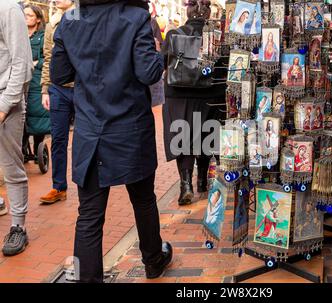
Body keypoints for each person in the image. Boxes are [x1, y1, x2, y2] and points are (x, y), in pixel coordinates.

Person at [50, 0, 170, 282]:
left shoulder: (70, 19)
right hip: (131, 127)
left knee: (89, 215)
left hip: (91, 129)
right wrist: (159, 54)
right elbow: (148, 73)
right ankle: (153, 261)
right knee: (143, 199)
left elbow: (59, 74)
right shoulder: (135, 16)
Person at [162, 0, 226, 206]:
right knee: (207, 134)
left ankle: (185, 184)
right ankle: (202, 181)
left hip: (178, 94)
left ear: (188, 13)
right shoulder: (217, 38)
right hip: (211, 93)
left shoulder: (173, 35)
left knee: (183, 139)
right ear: (208, 14)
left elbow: (163, 62)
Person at [0, 0, 34, 256]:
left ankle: (18, 227)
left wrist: (4, 106)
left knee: (12, 167)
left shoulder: (9, 8)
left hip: (5, 100)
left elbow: (21, 63)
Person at [39, 0, 75, 204]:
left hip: (82, 88)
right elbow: (47, 57)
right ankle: (58, 187)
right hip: (58, 90)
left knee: (86, 139)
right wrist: (46, 89)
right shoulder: (52, 24)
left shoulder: (83, 17)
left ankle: (92, 185)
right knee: (58, 139)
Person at [22, 5, 50, 164]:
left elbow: (46, 58)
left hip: (37, 80)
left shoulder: (42, 35)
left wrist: (33, 63)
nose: (26, 17)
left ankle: (39, 147)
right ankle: (24, 148)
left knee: (36, 114)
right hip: (21, 79)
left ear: (38, 18)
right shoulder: (19, 35)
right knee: (22, 115)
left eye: (30, 15)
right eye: (24, 14)